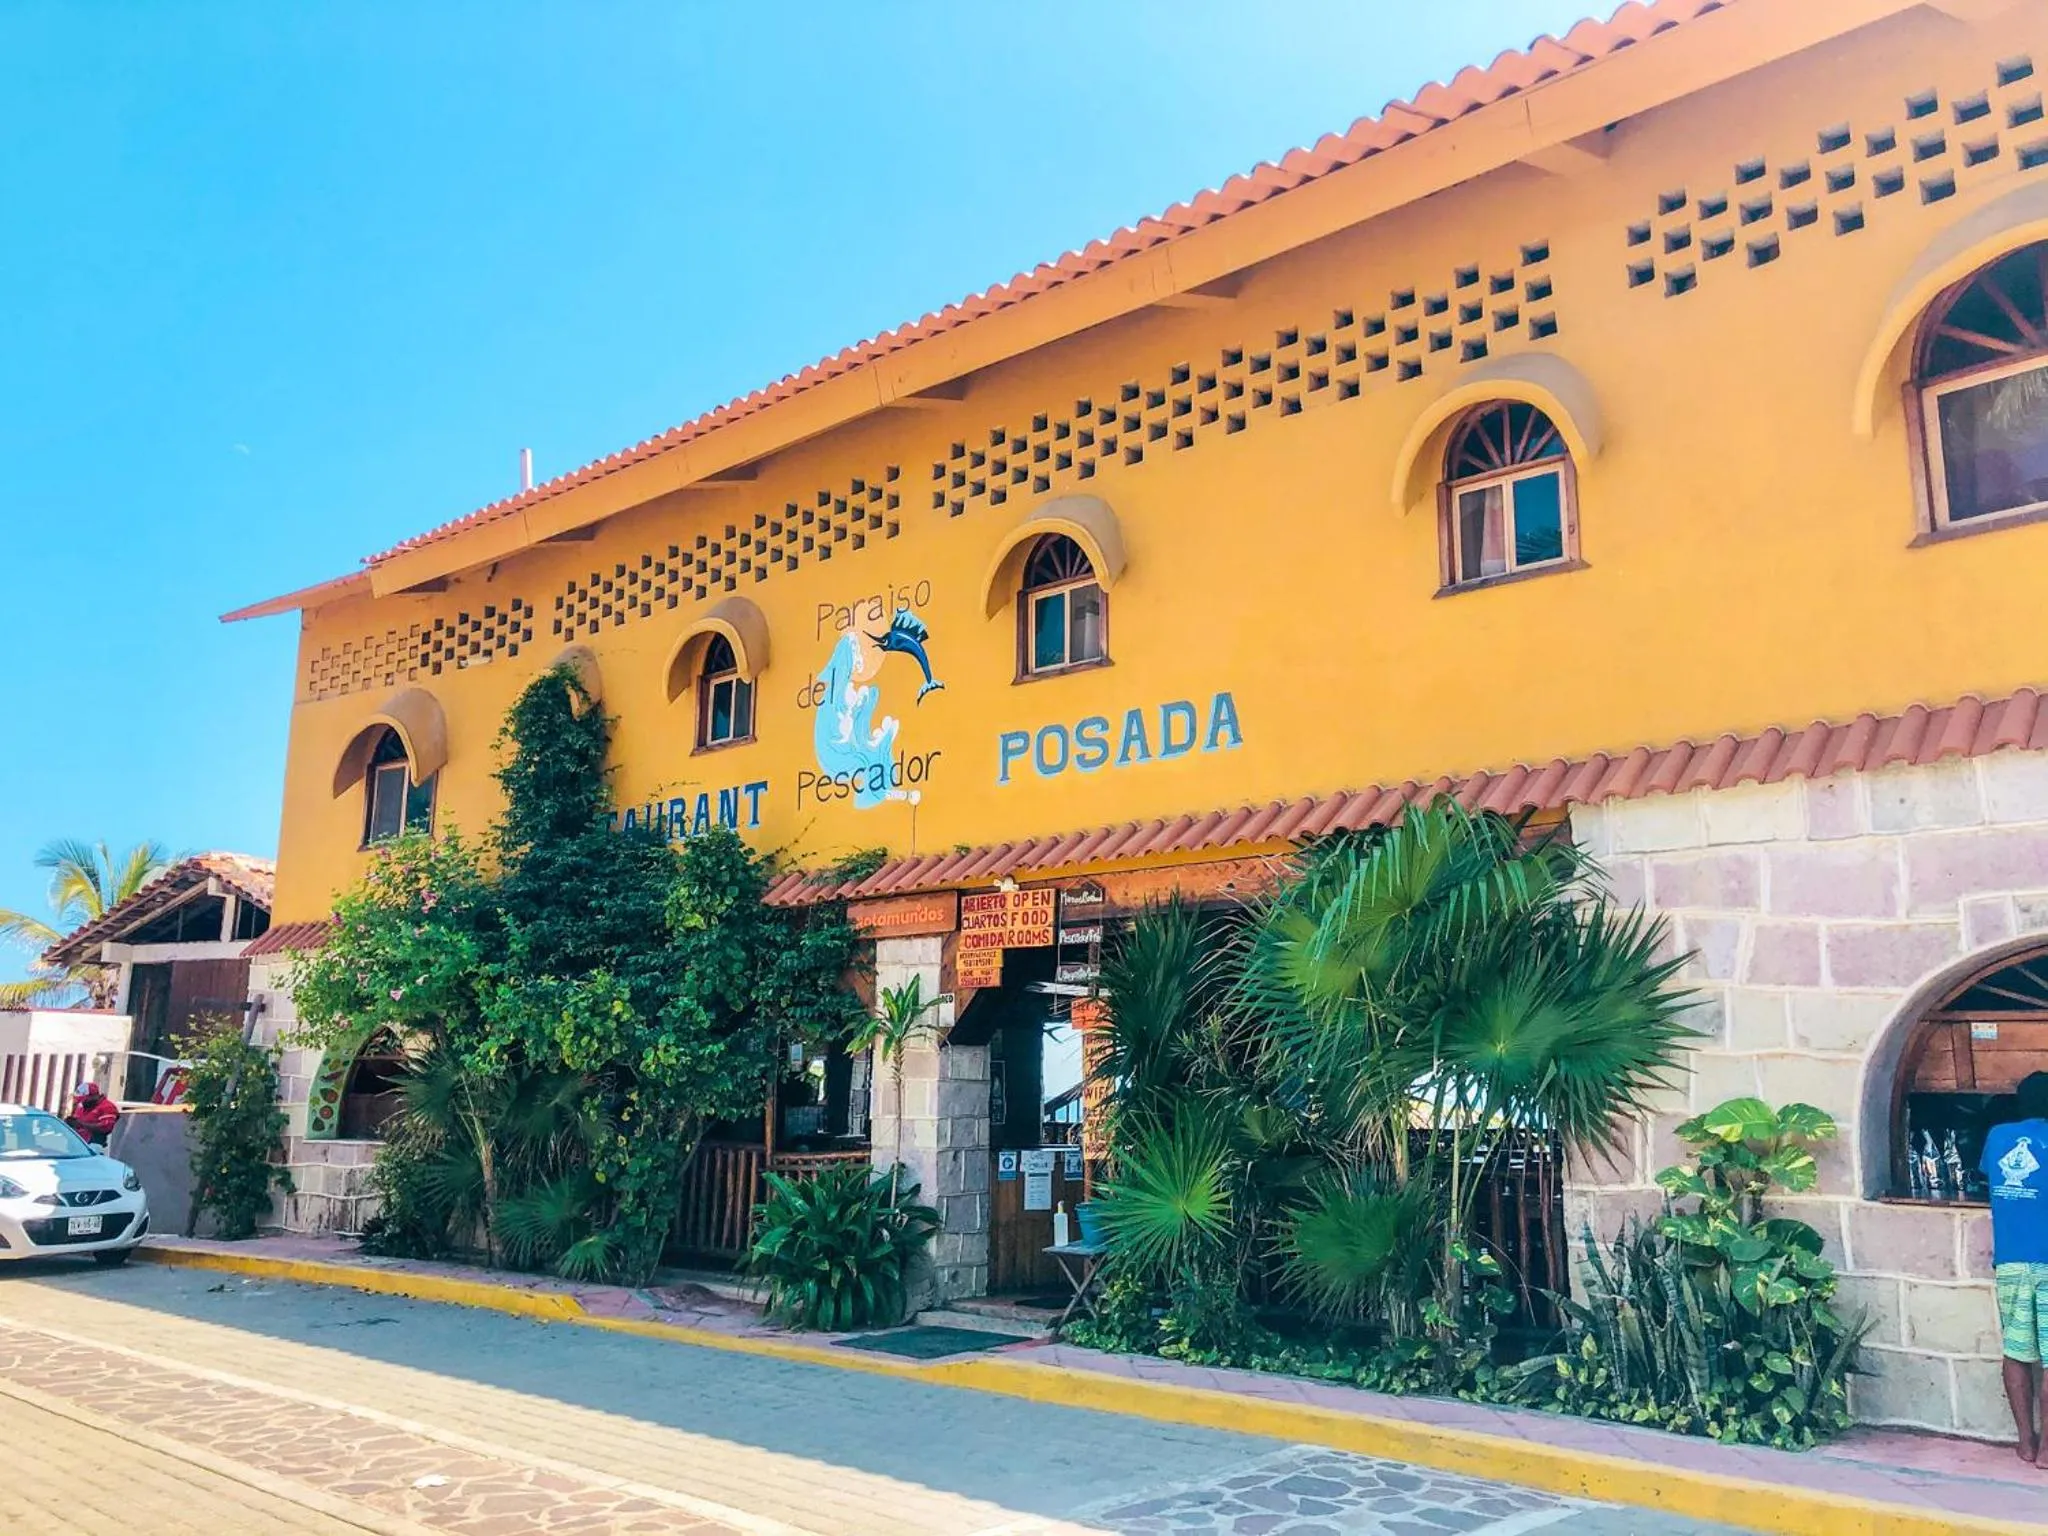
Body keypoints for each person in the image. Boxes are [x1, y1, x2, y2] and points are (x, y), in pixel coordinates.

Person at [1981, 1071, 2048, 1464]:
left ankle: (2026, 1442)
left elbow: (1989, 1175)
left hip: (2010, 1262)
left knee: (2016, 1353)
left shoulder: (1998, 1136)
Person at [65, 1081, 119, 1149]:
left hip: (95, 1146)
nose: (82, 1103)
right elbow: (77, 1120)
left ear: (93, 1096)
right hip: (78, 1144)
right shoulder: (83, 1106)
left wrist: (81, 1124)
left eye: (84, 1100)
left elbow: (105, 1127)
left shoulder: (107, 1107)